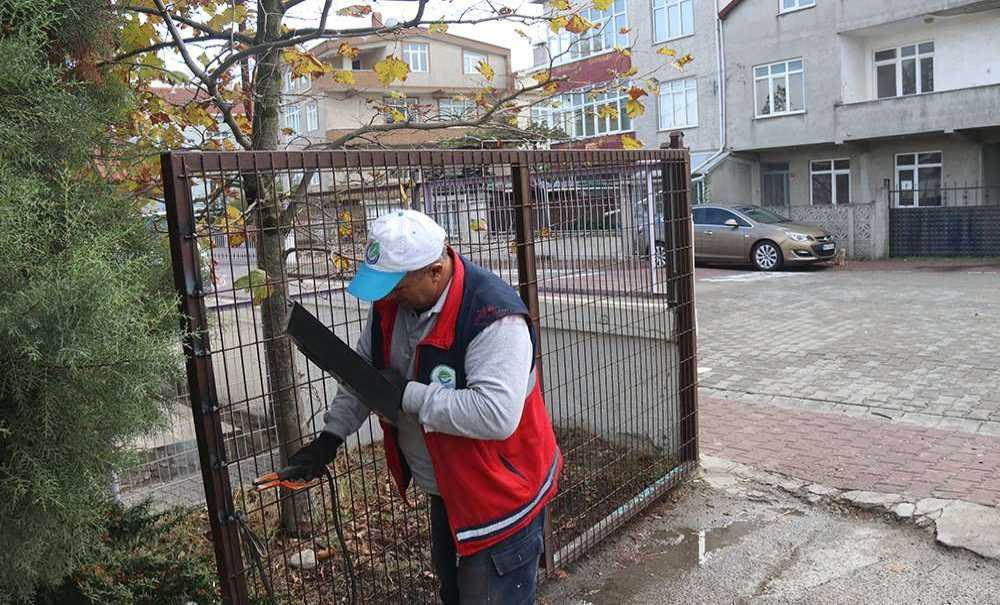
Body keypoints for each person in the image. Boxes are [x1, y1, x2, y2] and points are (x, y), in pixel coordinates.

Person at [281, 209, 562, 605]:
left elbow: (496, 414)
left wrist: (408, 395)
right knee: (455, 595)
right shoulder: (392, 304)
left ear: (435, 270)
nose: (388, 295)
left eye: (396, 285)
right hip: (448, 489)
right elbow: (364, 372)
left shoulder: (492, 316)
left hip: (500, 494)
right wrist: (331, 437)